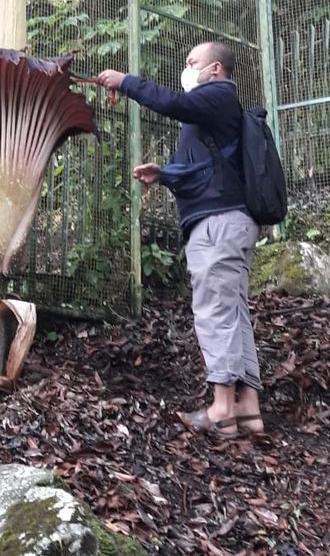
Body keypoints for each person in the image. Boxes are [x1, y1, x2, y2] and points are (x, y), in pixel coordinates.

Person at [98, 42, 264, 439]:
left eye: (193, 63)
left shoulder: (217, 96)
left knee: (215, 312)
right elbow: (204, 168)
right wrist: (167, 174)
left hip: (217, 223)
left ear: (216, 69)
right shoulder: (213, 110)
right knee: (234, 312)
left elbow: (171, 102)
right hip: (228, 219)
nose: (186, 69)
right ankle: (248, 409)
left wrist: (126, 82)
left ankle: (222, 408)